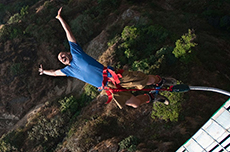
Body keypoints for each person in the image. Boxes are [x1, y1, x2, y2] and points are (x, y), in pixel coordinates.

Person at [39, 7, 175, 108]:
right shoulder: (69, 70)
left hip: (113, 76)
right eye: (60, 59)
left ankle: (161, 80)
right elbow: (55, 73)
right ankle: (152, 97)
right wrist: (44, 71)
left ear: (68, 53)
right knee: (134, 103)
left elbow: (68, 32)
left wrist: (60, 19)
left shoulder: (76, 53)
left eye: (63, 54)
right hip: (108, 87)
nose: (62, 57)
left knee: (146, 80)